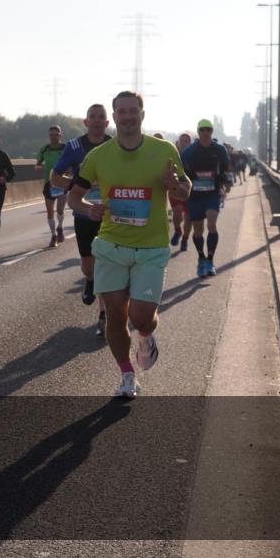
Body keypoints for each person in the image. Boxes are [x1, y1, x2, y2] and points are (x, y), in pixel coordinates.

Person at [67, 91, 190, 398]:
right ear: (115, 116)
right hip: (111, 246)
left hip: (151, 249)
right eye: (122, 111)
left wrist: (175, 186)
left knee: (140, 317)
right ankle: (126, 374)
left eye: (133, 111)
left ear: (142, 114)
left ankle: (146, 335)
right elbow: (73, 195)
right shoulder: (98, 156)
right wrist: (87, 208)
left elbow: (186, 188)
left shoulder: (164, 150)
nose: (128, 116)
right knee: (115, 316)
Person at [50, 103, 112, 336]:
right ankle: (90, 280)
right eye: (92, 117)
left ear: (107, 123)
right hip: (83, 213)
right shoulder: (75, 147)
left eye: (101, 117)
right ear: (86, 122)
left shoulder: (114, 146)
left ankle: (104, 315)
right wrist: (78, 188)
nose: (97, 120)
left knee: (106, 265)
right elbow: (55, 177)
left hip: (108, 214)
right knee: (89, 266)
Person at [180, 120, 232, 278]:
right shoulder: (189, 151)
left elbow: (226, 166)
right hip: (195, 196)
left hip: (212, 194)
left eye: (208, 129)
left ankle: (210, 260)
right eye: (202, 130)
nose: (205, 132)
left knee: (211, 224)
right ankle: (201, 258)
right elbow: (181, 170)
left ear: (212, 131)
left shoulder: (219, 149)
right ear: (198, 131)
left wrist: (227, 182)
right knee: (198, 230)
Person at [36, 125, 67, 247]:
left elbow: (73, 162)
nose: (53, 137)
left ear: (60, 135)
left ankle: (60, 227)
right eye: (51, 135)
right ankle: (53, 235)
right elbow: (38, 163)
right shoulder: (44, 149)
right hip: (49, 184)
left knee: (60, 210)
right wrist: (38, 167)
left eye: (56, 134)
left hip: (62, 182)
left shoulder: (65, 148)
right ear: (49, 136)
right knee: (50, 212)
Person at [170, 132, 193, 250]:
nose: (184, 142)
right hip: (176, 187)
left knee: (189, 218)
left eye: (186, 140)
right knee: (177, 212)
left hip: (190, 190)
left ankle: (185, 239)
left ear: (190, 143)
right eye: (182, 140)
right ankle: (177, 230)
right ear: (178, 142)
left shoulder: (194, 154)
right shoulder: (172, 153)